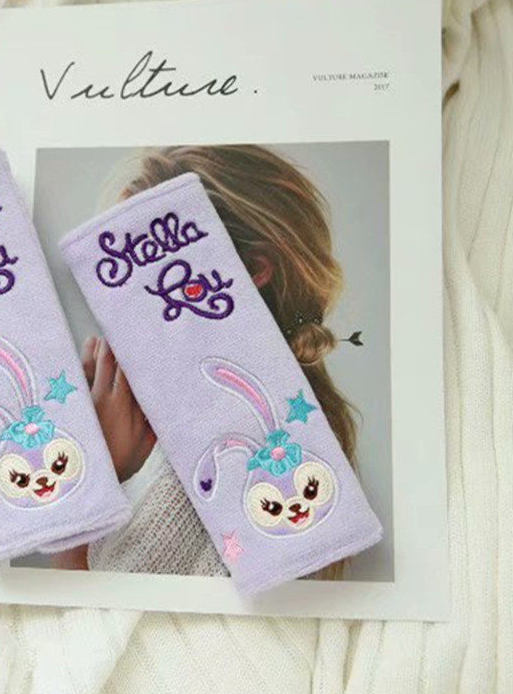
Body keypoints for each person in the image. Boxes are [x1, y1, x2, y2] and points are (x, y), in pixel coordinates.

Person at [53, 145, 356, 579]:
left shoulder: (233, 450)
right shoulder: (288, 416)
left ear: (252, 270)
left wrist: (98, 477)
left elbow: (94, 611)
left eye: (143, 264)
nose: (118, 302)